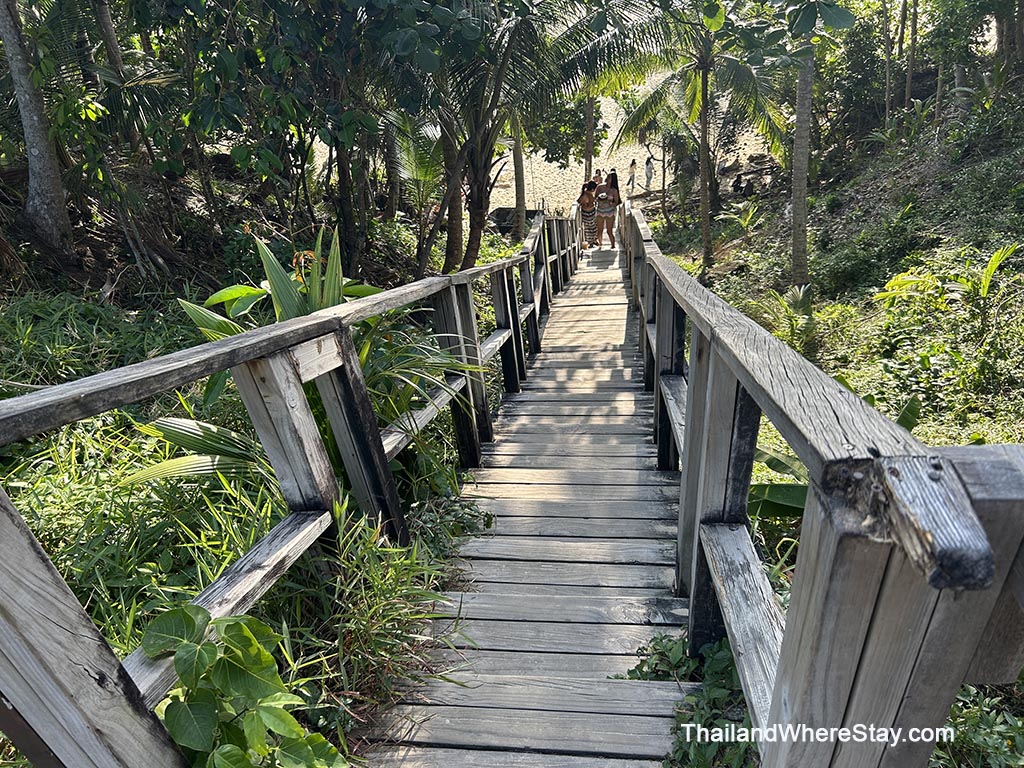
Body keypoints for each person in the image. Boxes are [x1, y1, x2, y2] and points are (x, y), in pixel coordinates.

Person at [594, 171, 620, 248]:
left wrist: (610, 203)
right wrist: (599, 200)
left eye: (609, 178)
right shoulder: (600, 187)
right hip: (600, 211)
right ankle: (600, 245)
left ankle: (613, 246)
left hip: (610, 212)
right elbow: (595, 197)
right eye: (607, 177)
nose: (607, 178)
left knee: (609, 231)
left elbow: (616, 202)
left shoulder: (614, 190)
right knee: (600, 230)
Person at [578, 180, 598, 248]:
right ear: (592, 189)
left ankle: (593, 241)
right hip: (588, 214)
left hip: (589, 213)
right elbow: (580, 202)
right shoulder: (586, 195)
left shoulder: (587, 194)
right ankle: (591, 241)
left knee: (590, 228)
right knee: (591, 228)